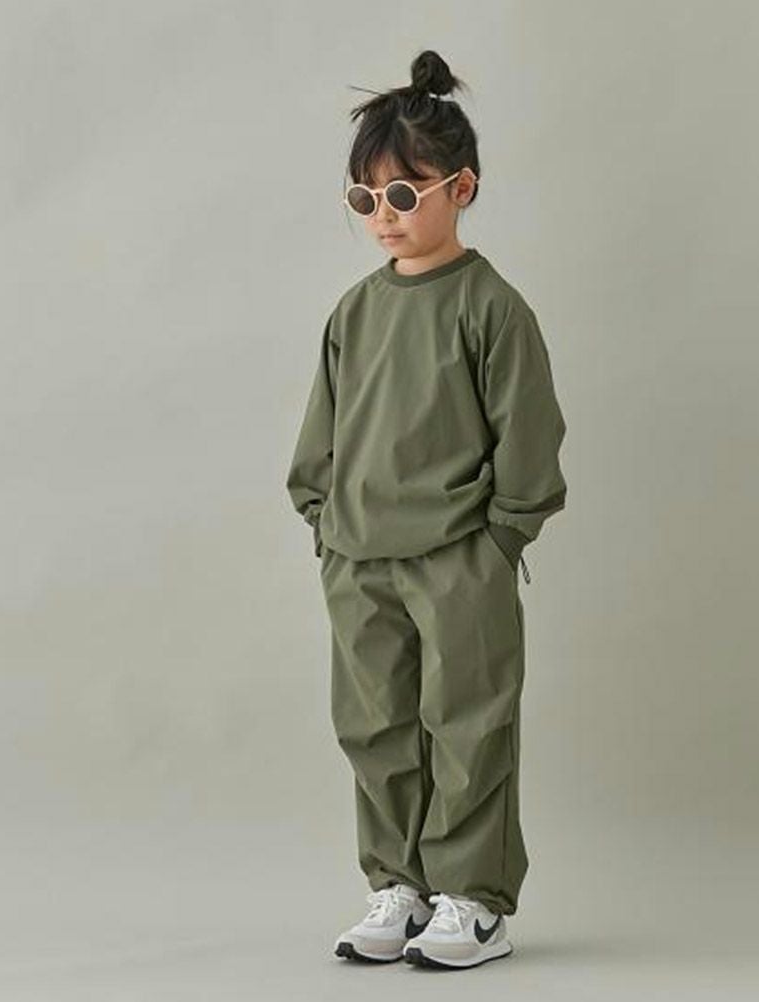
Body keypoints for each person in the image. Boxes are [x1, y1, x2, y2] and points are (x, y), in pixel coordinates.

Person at [285, 50, 567, 971]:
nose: (385, 216)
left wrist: (499, 539)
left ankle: (473, 900)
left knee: (469, 724)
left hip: (459, 557)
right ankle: (398, 886)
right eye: (365, 199)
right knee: (375, 728)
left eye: (404, 194)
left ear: (461, 188)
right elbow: (323, 432)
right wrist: (326, 524)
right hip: (360, 557)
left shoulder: (491, 308)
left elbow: (528, 436)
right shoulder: (354, 313)